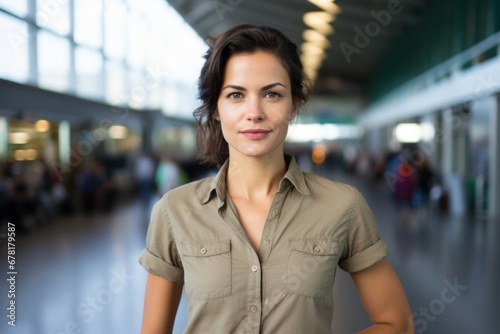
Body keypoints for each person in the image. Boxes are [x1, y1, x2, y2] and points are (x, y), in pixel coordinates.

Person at [139, 24, 413, 334]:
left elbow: (397, 323)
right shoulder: (175, 211)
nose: (254, 112)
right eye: (235, 95)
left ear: (294, 105)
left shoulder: (342, 206)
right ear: (216, 108)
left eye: (272, 94)